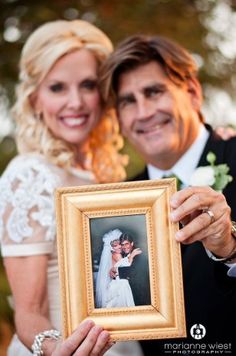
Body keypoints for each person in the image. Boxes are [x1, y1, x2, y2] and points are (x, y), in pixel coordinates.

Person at [0, 20, 143, 356]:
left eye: (88, 85)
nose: (75, 102)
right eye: (57, 88)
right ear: (35, 98)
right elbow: (28, 311)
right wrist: (56, 348)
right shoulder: (30, 175)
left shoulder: (104, 173)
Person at [101, 35, 236, 354]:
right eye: (128, 101)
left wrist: (231, 248)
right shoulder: (118, 202)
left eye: (154, 92)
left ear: (191, 92)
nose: (144, 112)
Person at [96, 228, 140, 308]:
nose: (119, 247)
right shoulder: (117, 255)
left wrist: (114, 269)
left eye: (120, 244)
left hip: (118, 283)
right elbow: (127, 265)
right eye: (115, 246)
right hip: (120, 284)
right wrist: (132, 256)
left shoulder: (117, 255)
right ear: (111, 248)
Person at [111, 232, 151, 306]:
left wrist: (116, 270)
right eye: (122, 245)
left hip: (139, 292)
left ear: (132, 243)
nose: (124, 247)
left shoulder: (138, 253)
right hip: (128, 290)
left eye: (127, 244)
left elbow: (134, 271)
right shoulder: (126, 254)